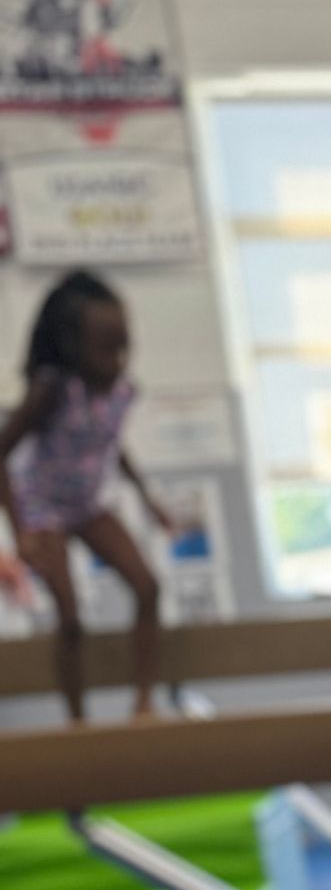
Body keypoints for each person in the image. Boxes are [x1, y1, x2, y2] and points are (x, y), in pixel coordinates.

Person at [0, 271, 172, 721]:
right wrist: (20, 531)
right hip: (41, 504)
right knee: (71, 617)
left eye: (123, 346)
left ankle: (143, 703)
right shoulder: (52, 390)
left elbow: (112, 446)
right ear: (74, 346)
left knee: (148, 587)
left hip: (88, 504)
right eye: (105, 347)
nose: (117, 359)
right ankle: (78, 721)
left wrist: (149, 500)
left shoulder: (121, 390)